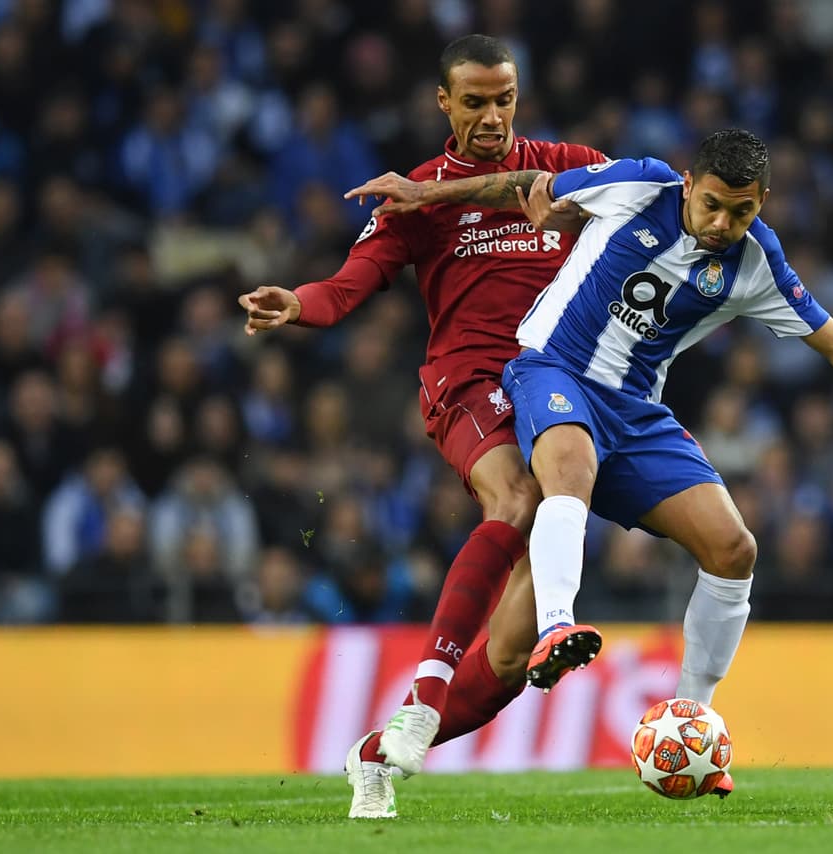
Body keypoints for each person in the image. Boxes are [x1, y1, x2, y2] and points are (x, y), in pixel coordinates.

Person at [348, 128, 833, 796]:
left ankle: (690, 720)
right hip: (553, 370)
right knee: (568, 469)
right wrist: (428, 192)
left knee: (732, 548)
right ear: (689, 185)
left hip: (633, 413)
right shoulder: (639, 185)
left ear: (762, 203)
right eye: (713, 204)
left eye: (742, 212)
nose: (724, 224)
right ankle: (558, 625)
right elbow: (520, 184)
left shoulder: (755, 261)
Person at [237, 35, 605, 819]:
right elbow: (346, 288)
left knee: (508, 658)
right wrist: (297, 303)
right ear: (444, 103)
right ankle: (428, 689)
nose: (492, 116)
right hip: (467, 383)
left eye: (503, 98)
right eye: (474, 101)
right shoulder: (416, 195)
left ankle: (378, 749)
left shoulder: (566, 162)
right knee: (516, 499)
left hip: (557, 390)